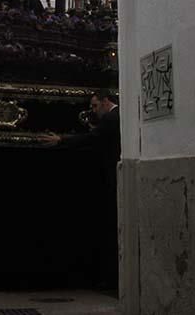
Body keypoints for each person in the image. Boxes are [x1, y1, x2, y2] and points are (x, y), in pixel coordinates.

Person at [42, 92, 121, 291]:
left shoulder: (113, 117)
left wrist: (61, 139)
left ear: (106, 101)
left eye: (95, 106)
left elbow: (92, 138)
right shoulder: (114, 118)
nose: (93, 110)